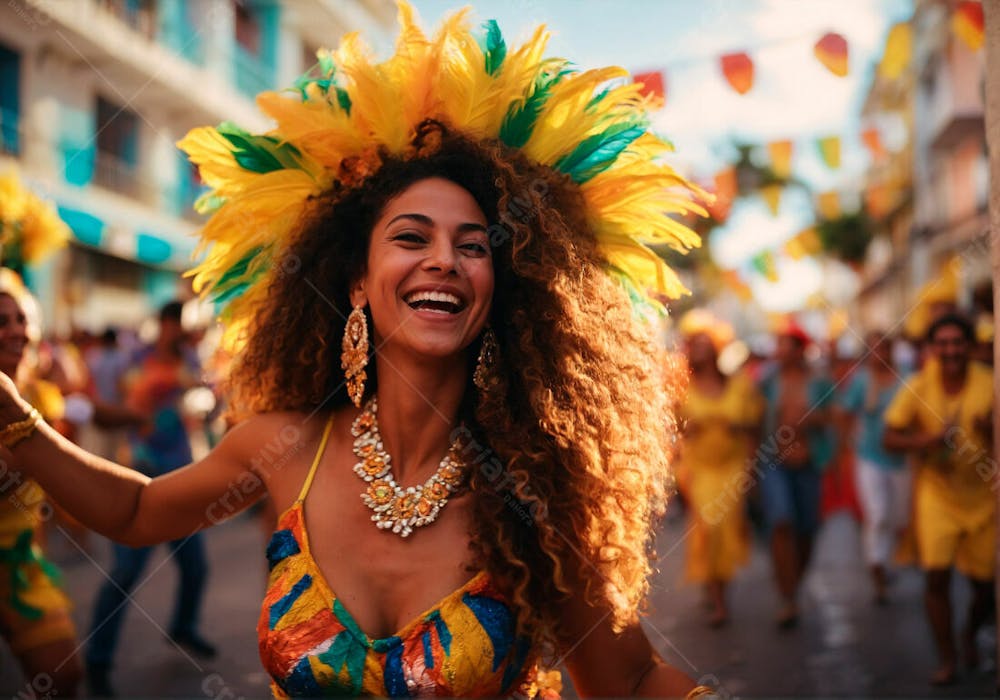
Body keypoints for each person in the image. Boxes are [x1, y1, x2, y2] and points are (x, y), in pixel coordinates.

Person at [0, 5, 713, 699]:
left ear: (503, 290)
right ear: (359, 284)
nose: (445, 260)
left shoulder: (532, 489)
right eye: (411, 238)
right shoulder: (285, 449)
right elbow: (133, 512)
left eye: (473, 246)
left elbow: (634, 679)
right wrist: (11, 413)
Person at [85, 301, 216, 697]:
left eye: (187, 327)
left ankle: (183, 627)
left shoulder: (192, 360)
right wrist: (141, 406)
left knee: (196, 567)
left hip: (181, 477)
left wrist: (204, 406)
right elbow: (103, 413)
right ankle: (97, 660)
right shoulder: (134, 360)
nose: (182, 333)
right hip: (139, 478)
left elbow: (203, 411)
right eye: (177, 325)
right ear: (162, 324)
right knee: (125, 574)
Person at [884, 313, 994, 686]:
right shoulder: (916, 385)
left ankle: (969, 634)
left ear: (970, 346)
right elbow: (890, 437)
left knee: (987, 586)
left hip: (985, 496)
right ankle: (947, 658)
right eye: (942, 343)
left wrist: (992, 432)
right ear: (932, 349)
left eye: (957, 342)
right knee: (936, 577)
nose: (950, 350)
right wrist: (926, 442)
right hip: (936, 494)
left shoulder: (990, 382)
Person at [0, 270, 82, 696]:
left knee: (63, 673)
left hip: (20, 563)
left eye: (21, 319)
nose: (16, 330)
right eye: (2, 321)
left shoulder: (37, 395)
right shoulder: (36, 410)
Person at [676, 311, 761, 627]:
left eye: (704, 342)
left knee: (725, 528)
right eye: (693, 343)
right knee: (708, 527)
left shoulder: (739, 385)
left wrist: (752, 467)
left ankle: (718, 589)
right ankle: (717, 598)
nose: (699, 348)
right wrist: (689, 428)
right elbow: (670, 429)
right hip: (698, 469)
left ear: (716, 347)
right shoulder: (682, 388)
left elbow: (753, 427)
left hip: (733, 467)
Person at [756, 320, 835, 629]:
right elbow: (755, 418)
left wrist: (811, 419)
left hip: (810, 463)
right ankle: (787, 596)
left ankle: (793, 585)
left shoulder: (819, 382)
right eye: (778, 344)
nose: (779, 350)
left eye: (785, 344)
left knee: (808, 530)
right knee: (782, 523)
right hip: (775, 463)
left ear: (800, 349)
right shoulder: (766, 381)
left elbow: (834, 418)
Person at [835, 332, 908, 604]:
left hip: (902, 458)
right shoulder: (862, 381)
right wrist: (849, 443)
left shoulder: (907, 377)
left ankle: (886, 561)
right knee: (876, 514)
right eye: (874, 350)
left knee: (898, 516)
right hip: (869, 456)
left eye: (884, 349)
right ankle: (877, 569)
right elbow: (843, 413)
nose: (880, 356)